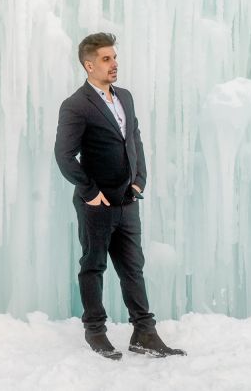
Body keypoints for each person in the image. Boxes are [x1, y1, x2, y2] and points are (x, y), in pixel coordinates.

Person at [54, 32, 185, 359]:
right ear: (89, 64)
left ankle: (144, 331)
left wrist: (139, 180)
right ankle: (95, 330)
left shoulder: (125, 97)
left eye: (114, 57)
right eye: (106, 59)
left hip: (127, 202)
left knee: (133, 268)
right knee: (93, 266)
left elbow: (134, 141)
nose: (114, 64)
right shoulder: (75, 105)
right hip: (96, 204)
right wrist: (91, 193)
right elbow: (64, 155)